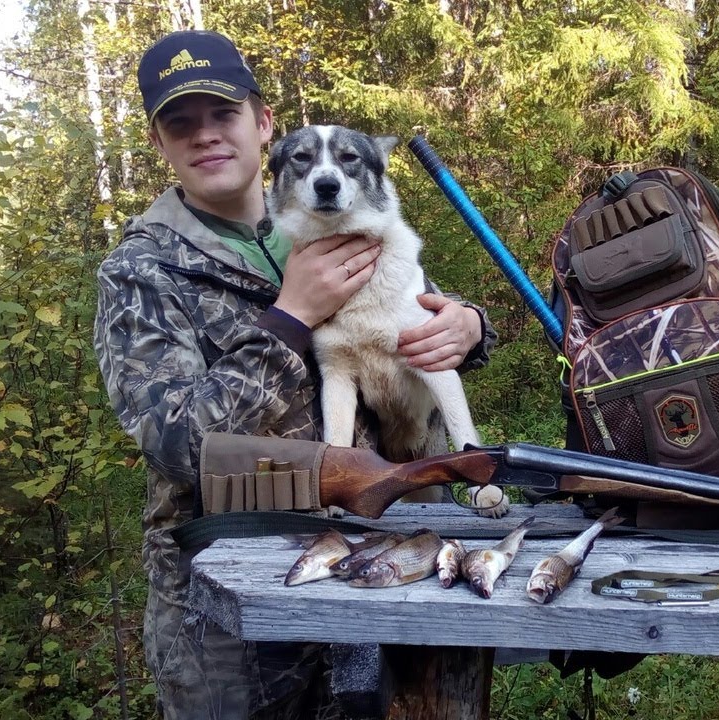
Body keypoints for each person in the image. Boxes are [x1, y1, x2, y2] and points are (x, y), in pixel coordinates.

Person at [92, 30, 497, 720]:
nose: (206, 136)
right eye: (180, 122)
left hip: (373, 559)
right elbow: (179, 445)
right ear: (159, 143)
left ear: (262, 125)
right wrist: (290, 317)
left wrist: (469, 326)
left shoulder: (330, 224)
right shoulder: (141, 271)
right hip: (231, 605)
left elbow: (413, 324)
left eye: (222, 114)